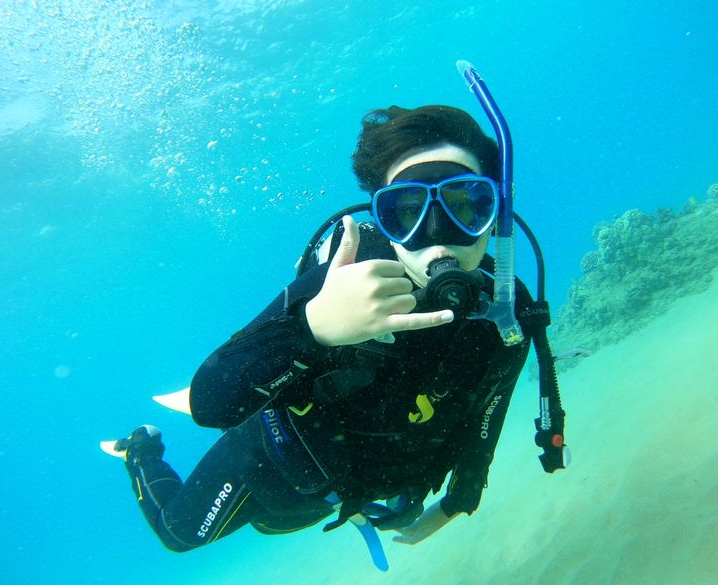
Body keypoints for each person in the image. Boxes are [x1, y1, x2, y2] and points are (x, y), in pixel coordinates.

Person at [107, 82, 567, 567]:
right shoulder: (341, 281)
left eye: (465, 204)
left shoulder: (504, 308)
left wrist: (461, 497)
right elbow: (211, 402)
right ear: (382, 220)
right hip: (273, 467)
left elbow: (488, 410)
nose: (436, 236)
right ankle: (141, 448)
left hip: (351, 488)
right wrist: (314, 327)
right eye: (407, 212)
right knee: (179, 535)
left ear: (496, 213)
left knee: (287, 519)